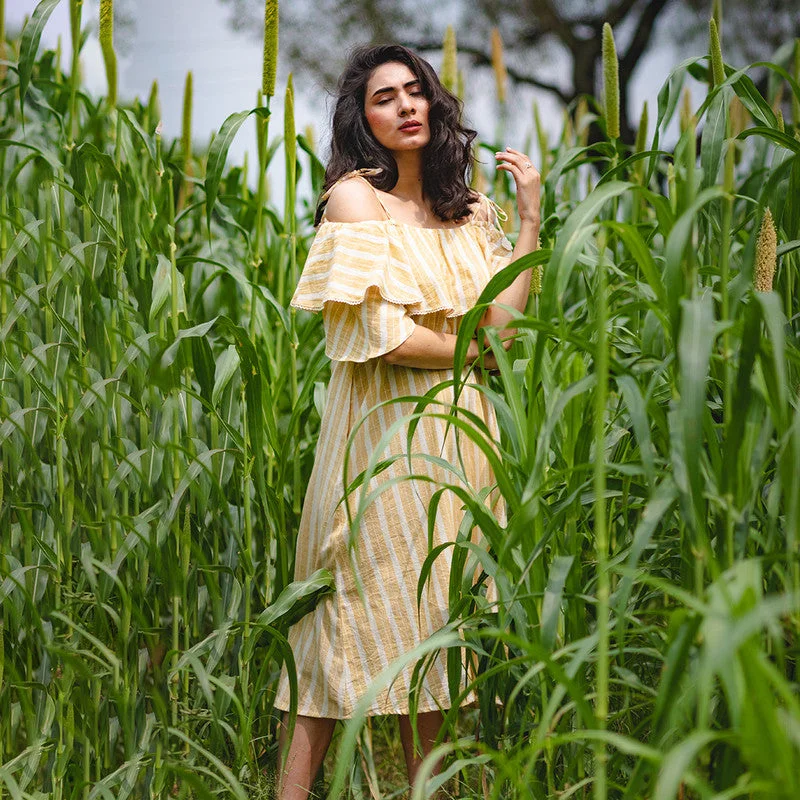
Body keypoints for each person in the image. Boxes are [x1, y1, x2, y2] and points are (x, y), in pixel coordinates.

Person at [272, 43, 540, 799]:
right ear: (362, 118)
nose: (405, 105)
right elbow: (381, 334)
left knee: (435, 634)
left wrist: (526, 225)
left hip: (459, 448)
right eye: (384, 97)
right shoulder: (356, 199)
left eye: (415, 91)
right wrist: (466, 353)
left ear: (435, 103)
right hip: (380, 444)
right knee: (343, 621)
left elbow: (505, 335)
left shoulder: (470, 212)